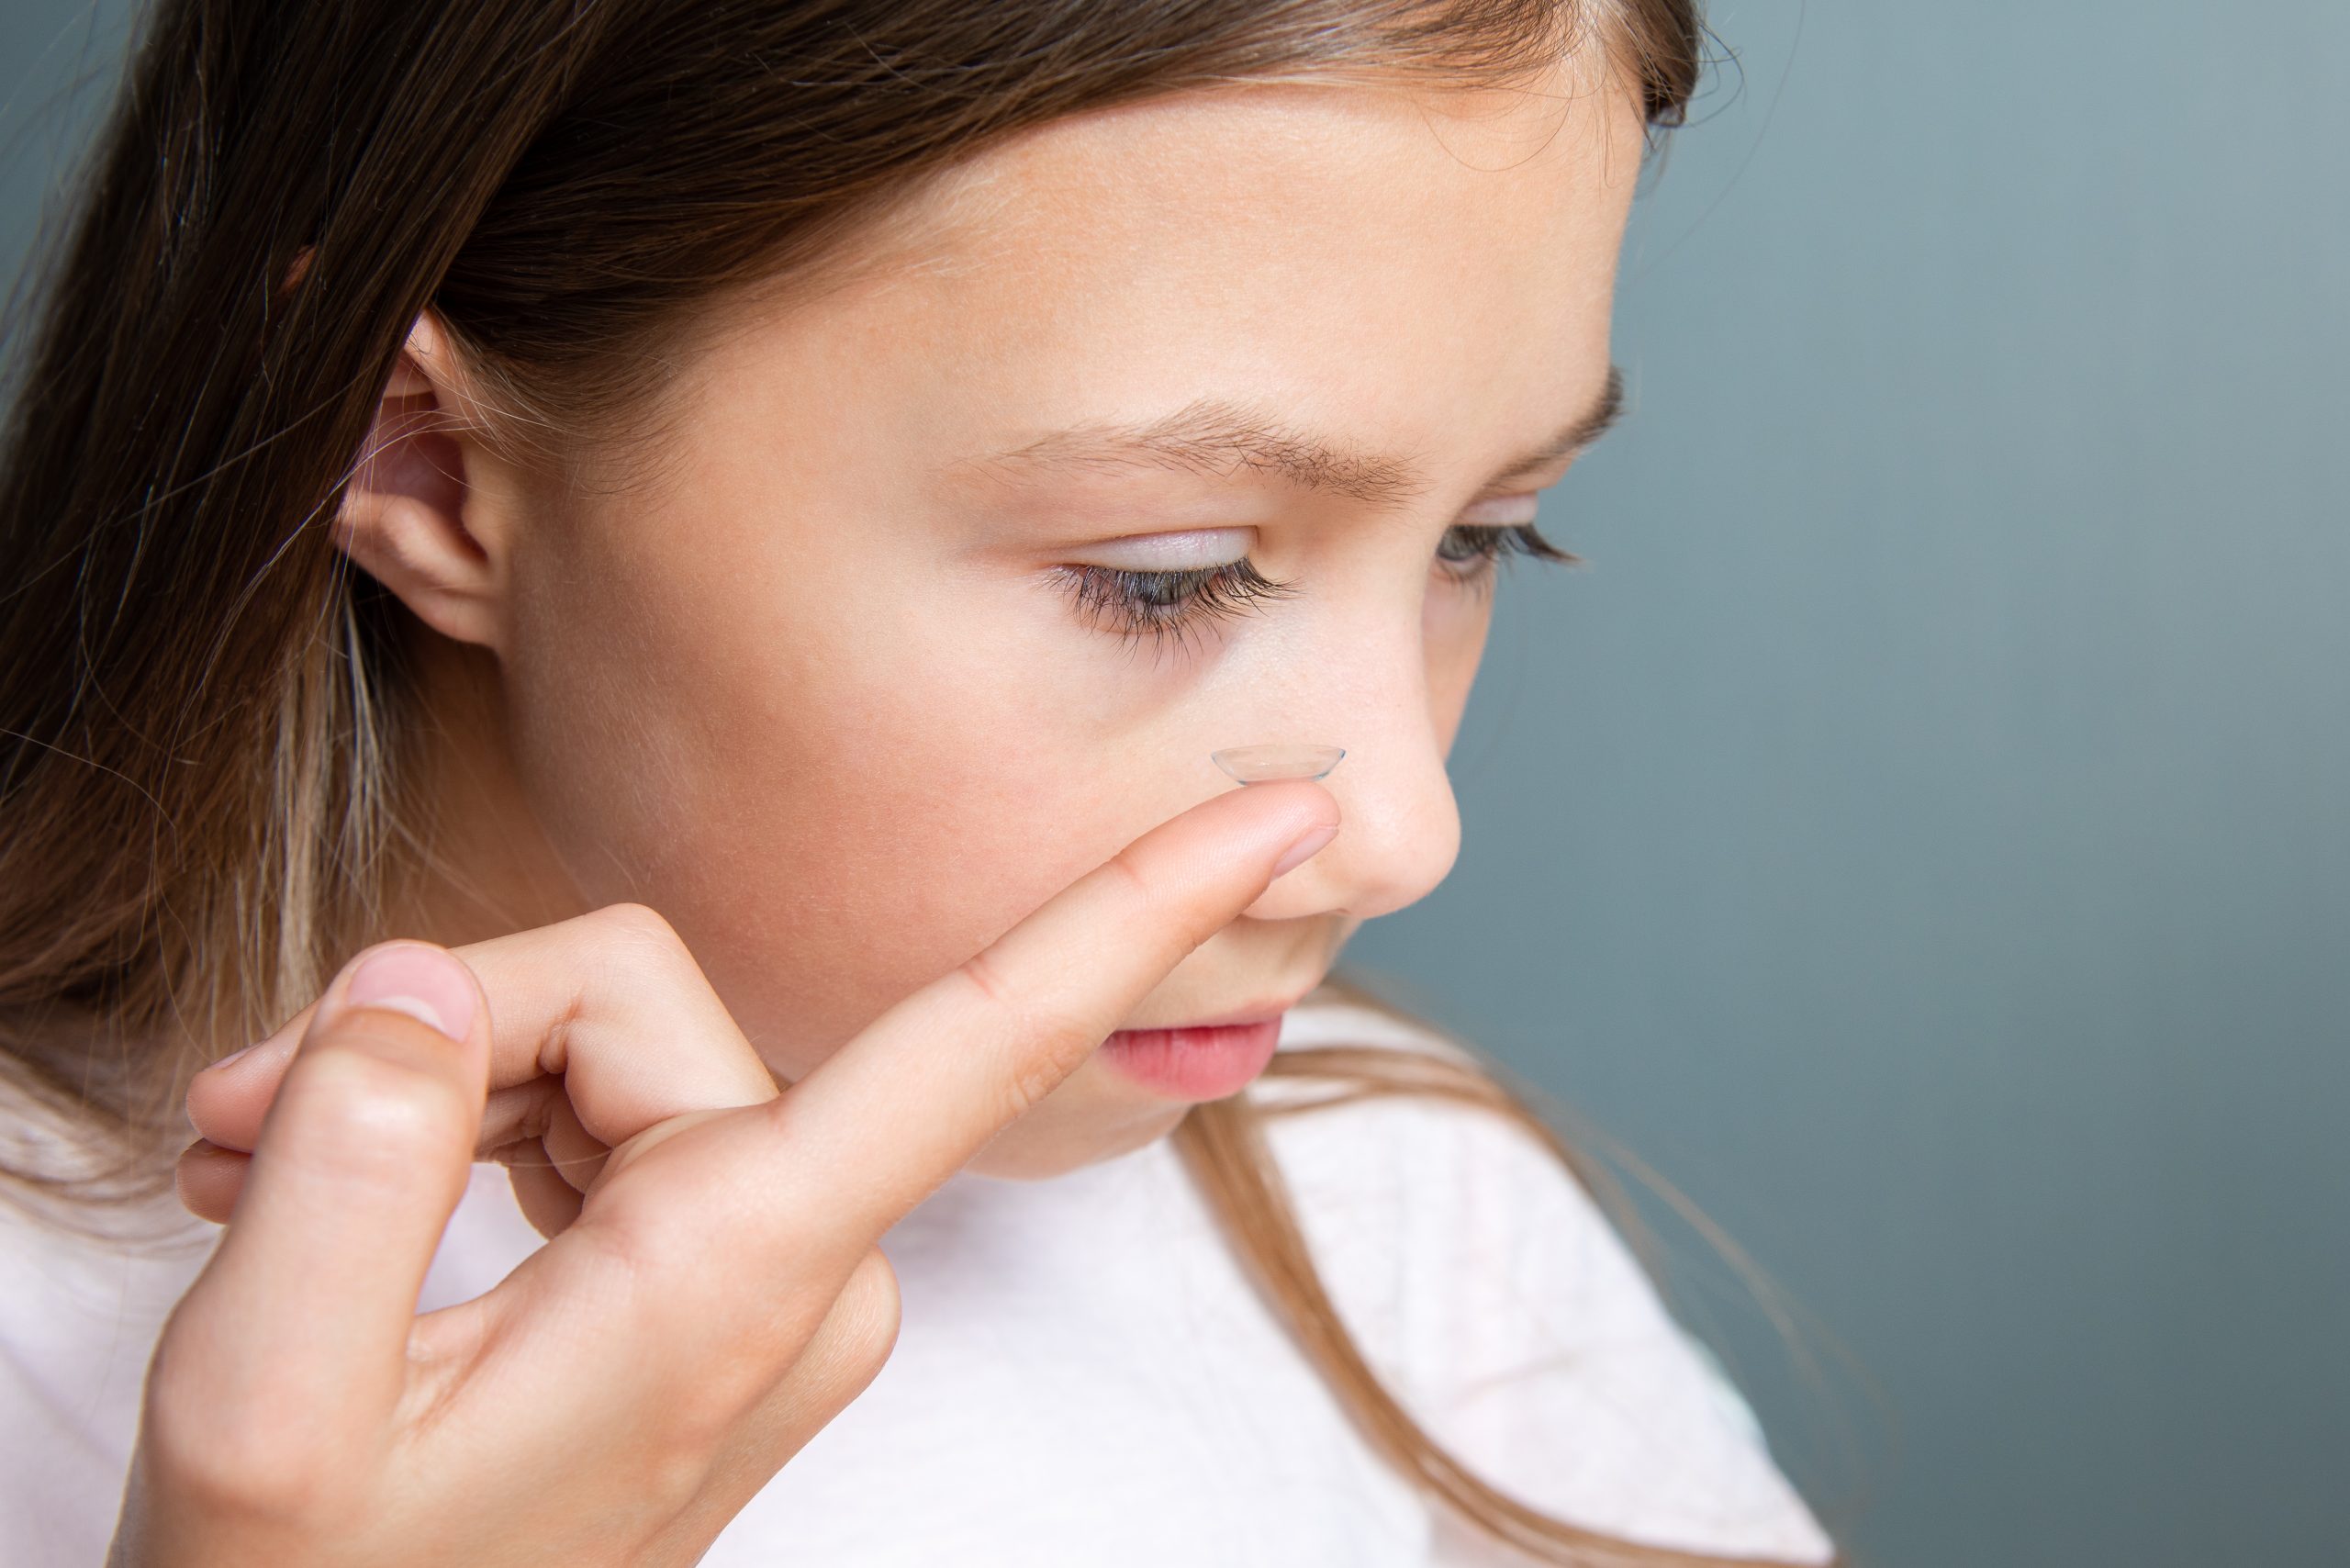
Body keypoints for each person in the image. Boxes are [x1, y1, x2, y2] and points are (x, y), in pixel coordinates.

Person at [0, 1, 1845, 1563]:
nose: (1400, 833)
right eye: (1167, 572)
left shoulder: (1400, 1210)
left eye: (1482, 539)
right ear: (416, 462)